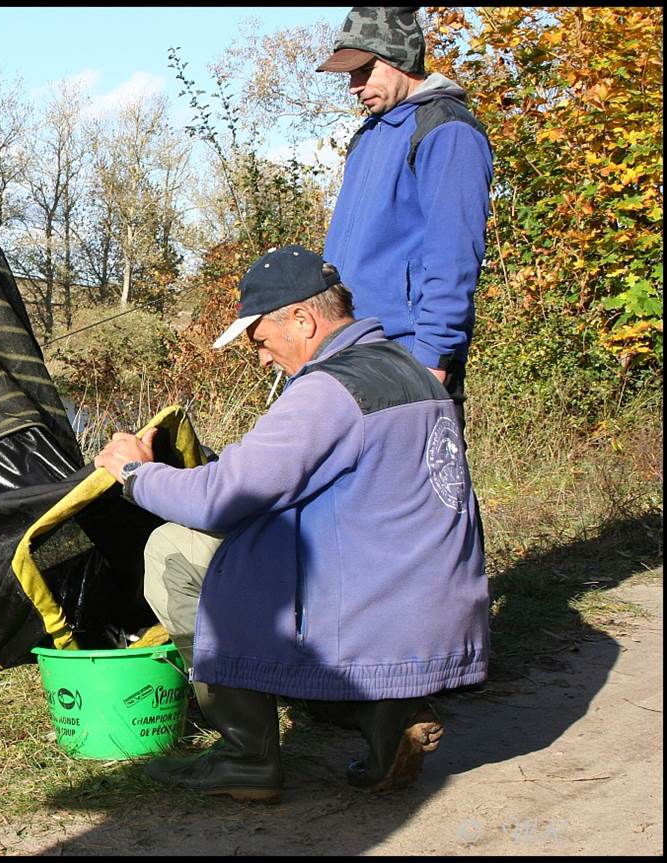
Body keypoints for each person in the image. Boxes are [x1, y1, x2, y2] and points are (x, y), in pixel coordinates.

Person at [95, 245, 490, 802]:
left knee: (171, 549)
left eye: (259, 340)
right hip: (432, 611)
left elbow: (219, 501)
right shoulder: (411, 371)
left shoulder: (329, 391)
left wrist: (135, 472)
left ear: (303, 319)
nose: (260, 358)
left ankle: (246, 755)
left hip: (371, 612)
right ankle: (385, 714)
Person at [317, 7, 492, 426]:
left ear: (398, 57)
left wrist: (432, 360)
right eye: (349, 74)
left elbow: (453, 259)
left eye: (364, 70)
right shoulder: (368, 137)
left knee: (422, 488)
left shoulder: (446, 130)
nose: (354, 86)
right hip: (349, 352)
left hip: (407, 358)